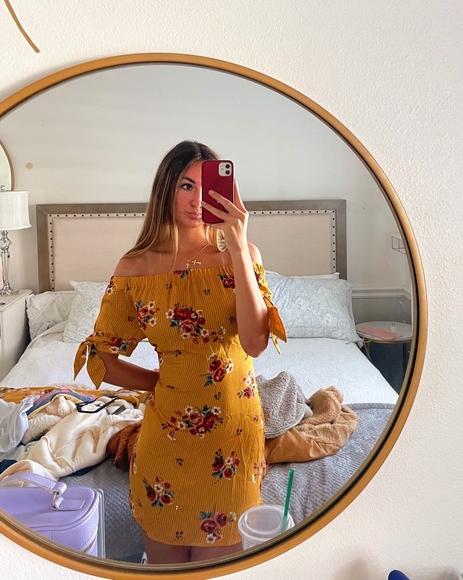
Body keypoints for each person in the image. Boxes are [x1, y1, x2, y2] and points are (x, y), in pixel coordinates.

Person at [74, 140, 286, 564]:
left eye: (207, 187)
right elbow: (103, 359)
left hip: (234, 437)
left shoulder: (241, 256)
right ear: (166, 190)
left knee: (220, 568)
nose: (197, 200)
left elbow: (255, 343)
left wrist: (238, 247)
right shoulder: (135, 268)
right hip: (165, 442)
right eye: (186, 186)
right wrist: (163, 383)